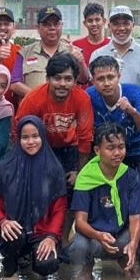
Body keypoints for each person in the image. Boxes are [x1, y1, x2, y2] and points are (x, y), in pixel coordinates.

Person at [68, 123, 140, 280]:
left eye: (121, 147)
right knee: (78, 248)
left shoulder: (132, 176)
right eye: (110, 148)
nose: (117, 153)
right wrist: (98, 235)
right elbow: (80, 223)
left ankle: (126, 259)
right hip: (95, 237)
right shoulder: (85, 177)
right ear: (97, 150)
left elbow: (135, 218)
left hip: (121, 235)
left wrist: (133, 244)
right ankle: (87, 267)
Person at [0, 117, 70, 280]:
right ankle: (10, 268)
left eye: (35, 136)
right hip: (12, 230)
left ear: (43, 136)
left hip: (41, 231)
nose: (30, 142)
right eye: (25, 137)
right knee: (13, 235)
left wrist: (51, 237)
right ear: (18, 139)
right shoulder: (5, 167)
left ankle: (35, 263)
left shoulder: (54, 168)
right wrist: (2, 222)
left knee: (47, 264)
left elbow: (60, 209)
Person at [88, 55, 140, 219]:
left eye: (111, 77)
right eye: (100, 79)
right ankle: (120, 222)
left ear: (119, 76)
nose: (106, 83)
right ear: (92, 81)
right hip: (119, 146)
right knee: (117, 184)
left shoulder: (134, 92)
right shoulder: (90, 96)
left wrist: (132, 111)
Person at [16, 53, 95, 184]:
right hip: (41, 147)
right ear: (48, 79)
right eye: (57, 78)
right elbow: (18, 132)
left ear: (75, 81)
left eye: (68, 79)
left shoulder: (82, 99)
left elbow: (85, 138)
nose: (62, 84)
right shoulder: (33, 99)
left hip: (71, 147)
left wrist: (80, 172)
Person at [23, 5, 89, 90]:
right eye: (47, 24)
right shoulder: (25, 52)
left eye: (56, 24)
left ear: (62, 25)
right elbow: (15, 82)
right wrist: (37, 96)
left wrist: (81, 62)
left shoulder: (74, 51)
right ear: (38, 28)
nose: (52, 28)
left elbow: (84, 80)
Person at [90, 5, 140, 90]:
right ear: (109, 26)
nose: (122, 28)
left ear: (133, 25)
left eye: (126, 23)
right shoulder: (97, 55)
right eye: (116, 24)